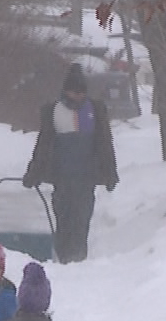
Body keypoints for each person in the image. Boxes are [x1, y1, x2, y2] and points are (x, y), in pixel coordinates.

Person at [23, 63, 119, 264]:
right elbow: (44, 144)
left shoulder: (95, 110)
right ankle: (65, 256)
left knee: (82, 217)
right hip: (62, 177)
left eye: (82, 92)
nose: (78, 96)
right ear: (66, 91)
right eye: (75, 92)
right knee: (63, 217)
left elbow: (104, 144)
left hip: (86, 177)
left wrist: (110, 172)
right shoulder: (53, 111)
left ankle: (78, 257)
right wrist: (34, 172)